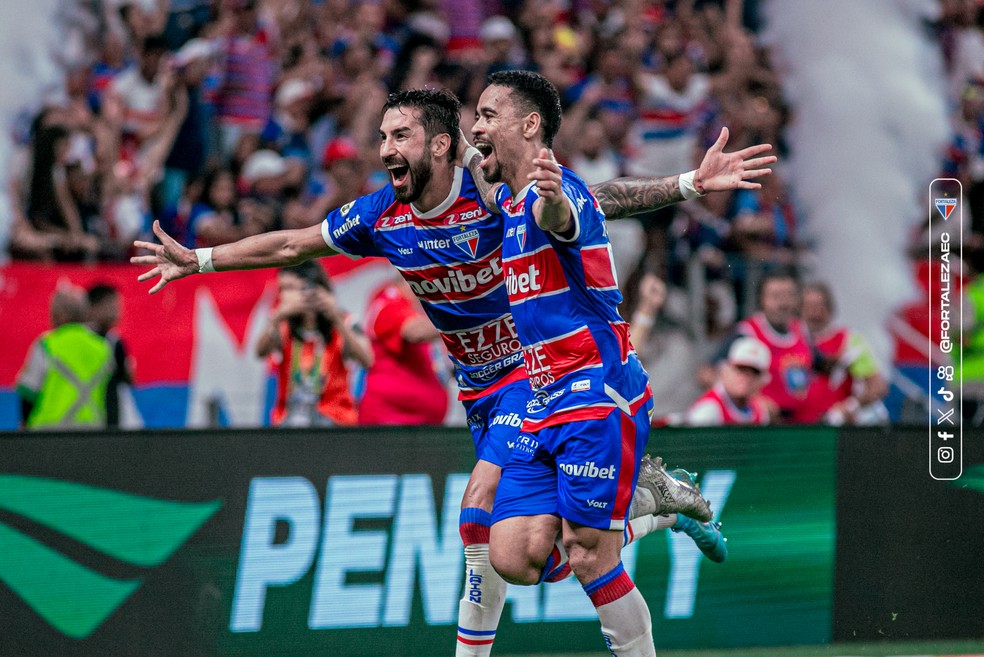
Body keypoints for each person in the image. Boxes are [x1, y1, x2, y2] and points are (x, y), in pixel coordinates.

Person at [133, 87, 772, 657]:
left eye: (400, 135)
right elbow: (292, 243)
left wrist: (687, 184)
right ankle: (648, 505)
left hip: (535, 376)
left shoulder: (491, 195)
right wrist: (202, 259)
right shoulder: (380, 215)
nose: (385, 148)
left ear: (441, 145)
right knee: (522, 556)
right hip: (479, 392)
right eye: (382, 136)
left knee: (475, 506)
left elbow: (594, 200)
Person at [464, 70, 770, 656]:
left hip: (595, 393)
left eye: (487, 115)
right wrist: (688, 182)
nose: (477, 127)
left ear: (529, 126)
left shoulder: (557, 195)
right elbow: (610, 194)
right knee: (513, 558)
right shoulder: (508, 195)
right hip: (542, 398)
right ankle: (652, 502)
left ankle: (649, 511)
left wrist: (553, 198)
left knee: (589, 557)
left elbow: (563, 213)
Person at [256, 260, 372, 427]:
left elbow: (367, 360)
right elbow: (260, 352)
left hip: (335, 421)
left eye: (290, 288)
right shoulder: (283, 324)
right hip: (289, 421)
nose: (283, 295)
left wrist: (336, 318)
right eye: (281, 289)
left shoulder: (345, 321)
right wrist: (276, 318)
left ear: (313, 288)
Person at [700, 270, 816, 423]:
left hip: (803, 423)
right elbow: (705, 374)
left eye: (789, 295)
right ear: (762, 300)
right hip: (763, 426)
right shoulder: (747, 332)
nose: (783, 303)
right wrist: (750, 400)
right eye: (775, 296)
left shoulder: (802, 330)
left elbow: (822, 368)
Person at [16, 284, 113, 429]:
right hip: (92, 430)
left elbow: (29, 392)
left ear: (60, 314)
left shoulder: (46, 344)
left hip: (47, 431)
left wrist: (25, 425)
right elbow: (110, 395)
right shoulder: (103, 346)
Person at [359, 276, 449, 425]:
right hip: (391, 418)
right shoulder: (389, 302)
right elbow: (415, 332)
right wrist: (462, 319)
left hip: (420, 420)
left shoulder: (413, 307)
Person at [797, 282, 889, 425]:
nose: (814, 313)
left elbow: (878, 386)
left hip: (834, 427)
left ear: (830, 309)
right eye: (809, 306)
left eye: (819, 306)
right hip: (793, 425)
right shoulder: (790, 340)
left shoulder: (848, 340)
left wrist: (851, 406)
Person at [686, 336, 771, 426]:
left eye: (755, 372)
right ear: (726, 370)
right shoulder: (710, 409)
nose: (746, 378)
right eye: (740, 369)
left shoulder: (760, 412)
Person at [86, 283, 136, 428]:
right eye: (111, 304)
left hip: (111, 420)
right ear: (93, 307)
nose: (117, 311)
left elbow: (126, 380)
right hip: (86, 419)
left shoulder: (115, 342)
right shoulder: (81, 340)